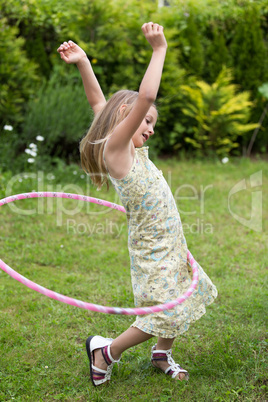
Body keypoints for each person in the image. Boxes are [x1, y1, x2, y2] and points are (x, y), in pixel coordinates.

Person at [57, 22, 217, 387]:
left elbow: (99, 102)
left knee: (177, 294)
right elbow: (143, 98)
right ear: (127, 113)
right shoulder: (115, 150)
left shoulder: (126, 147)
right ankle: (105, 351)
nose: (150, 128)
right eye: (146, 120)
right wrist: (158, 50)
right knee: (162, 309)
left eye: (152, 124)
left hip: (170, 238)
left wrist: (83, 62)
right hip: (152, 244)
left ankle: (161, 353)